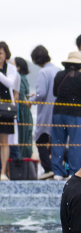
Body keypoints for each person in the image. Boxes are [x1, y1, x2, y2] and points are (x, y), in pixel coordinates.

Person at [51, 52, 81, 179]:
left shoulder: (59, 75)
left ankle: (58, 172)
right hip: (75, 113)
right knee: (75, 143)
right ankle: (73, 172)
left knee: (58, 142)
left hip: (58, 112)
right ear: (78, 65)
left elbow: (54, 92)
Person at [31, 45, 59, 179]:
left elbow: (41, 94)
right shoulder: (58, 70)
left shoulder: (43, 73)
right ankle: (58, 168)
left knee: (40, 139)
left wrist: (31, 100)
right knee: (56, 140)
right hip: (58, 110)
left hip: (46, 111)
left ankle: (48, 169)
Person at [0, 42, 17, 180]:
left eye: (0, 53)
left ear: (6, 54)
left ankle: (3, 172)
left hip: (5, 108)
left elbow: (9, 83)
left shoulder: (10, 68)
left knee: (4, 140)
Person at [14, 57, 33, 159]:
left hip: (21, 111)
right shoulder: (24, 77)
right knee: (27, 138)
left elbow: (20, 97)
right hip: (26, 111)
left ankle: (19, 161)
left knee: (21, 138)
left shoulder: (19, 78)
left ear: (18, 67)